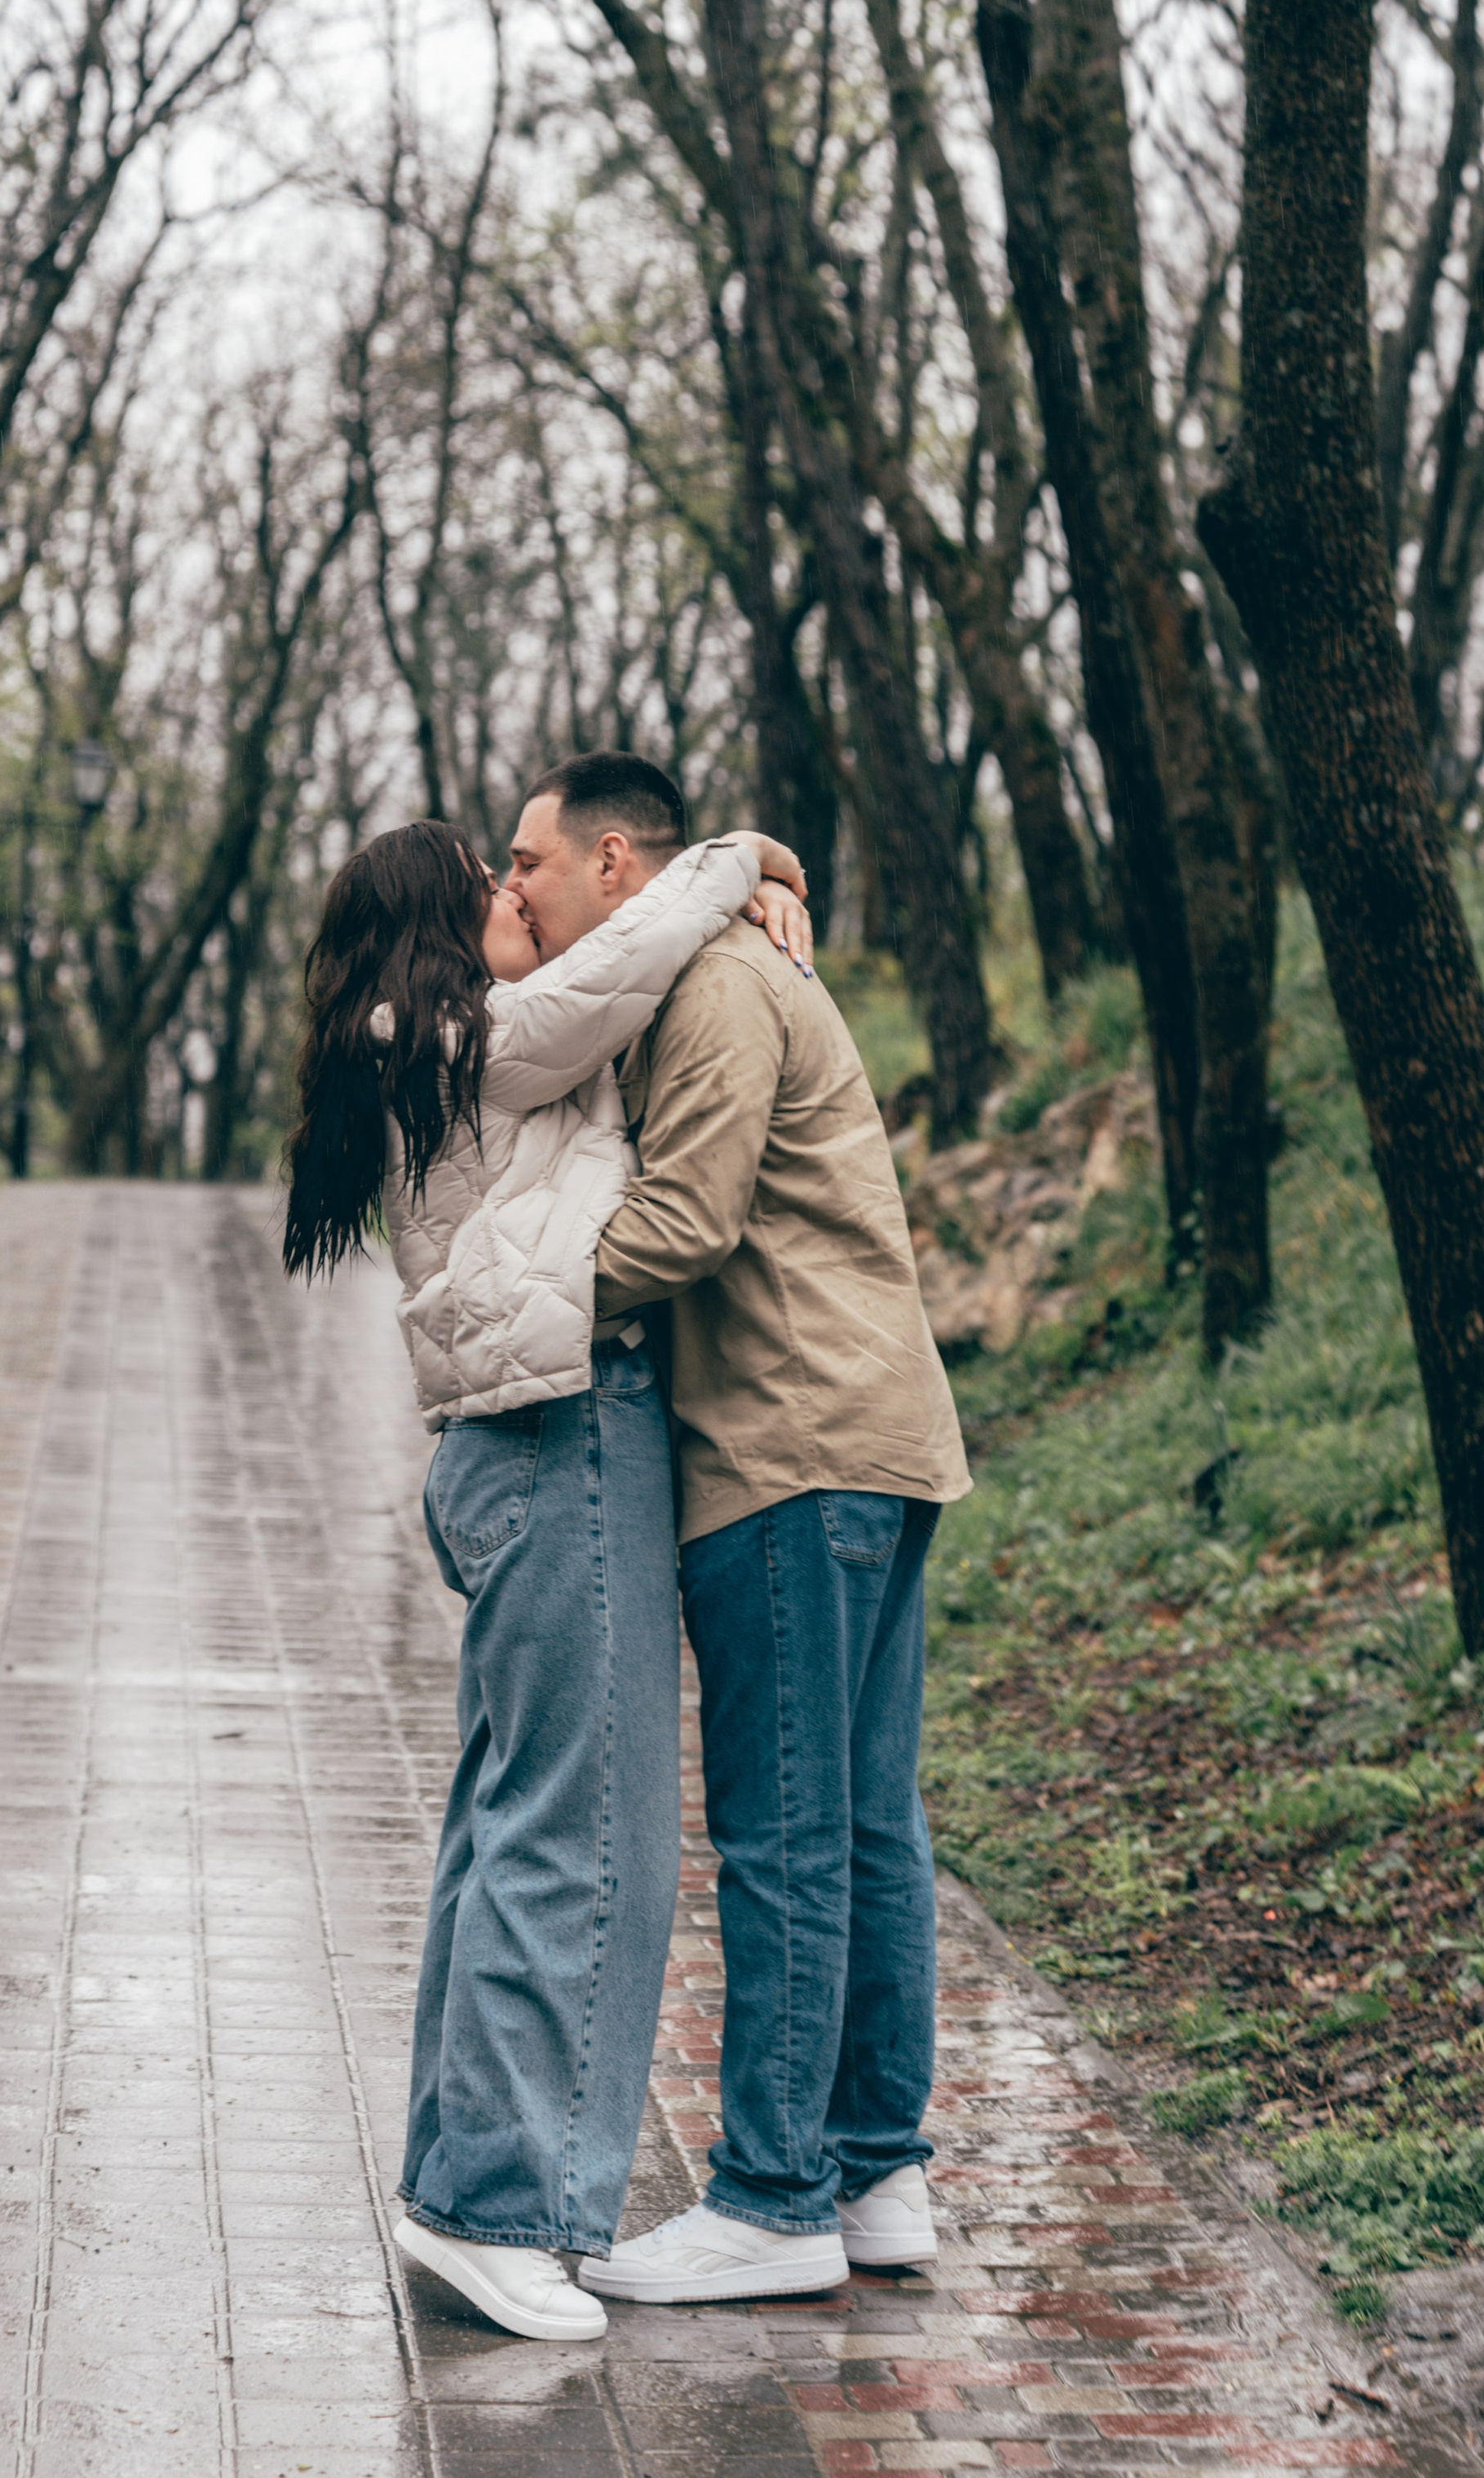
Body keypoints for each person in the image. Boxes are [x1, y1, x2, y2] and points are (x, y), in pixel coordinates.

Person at [281, 788, 812, 2342]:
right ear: (449, 928)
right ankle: (502, 2210)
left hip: (514, 1451)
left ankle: (465, 2187)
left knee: (510, 1824)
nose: (521, 894)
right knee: (582, 1837)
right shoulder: (470, 1036)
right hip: (556, 1437)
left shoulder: (445, 1039)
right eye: (492, 880)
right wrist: (741, 860)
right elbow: (623, 959)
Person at [503, 752, 971, 2304]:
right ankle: (878, 2165)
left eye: (533, 862)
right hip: (874, 1435)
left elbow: (688, 1223)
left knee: (785, 1835)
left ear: (619, 861)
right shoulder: (728, 958)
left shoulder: (711, 989)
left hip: (788, 1446)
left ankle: (775, 2197)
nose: (520, 888)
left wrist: (501, 1308)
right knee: (864, 1818)